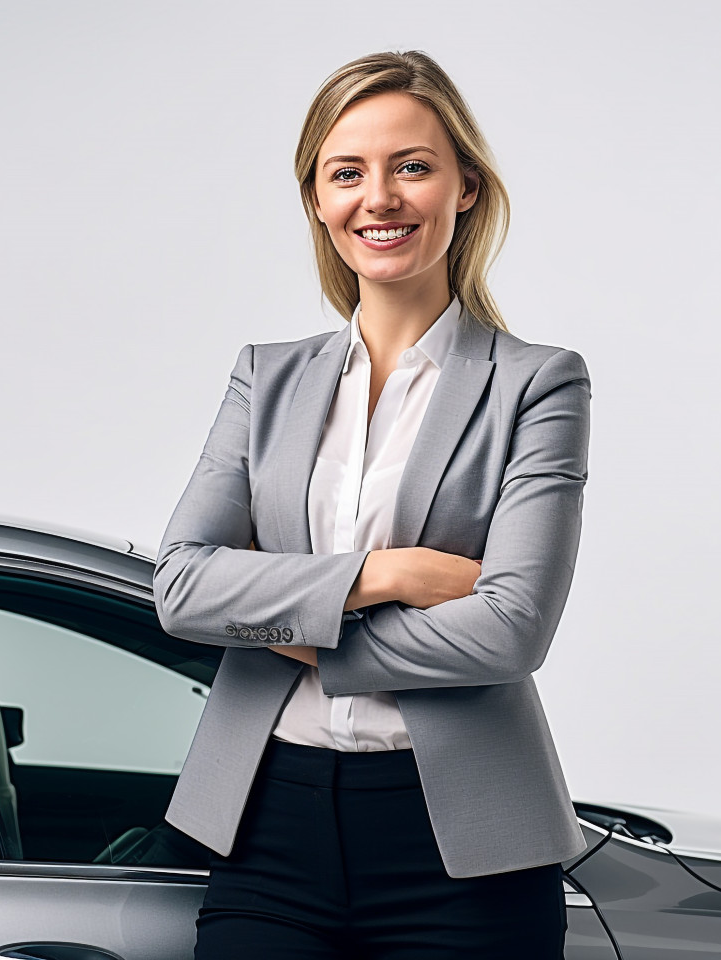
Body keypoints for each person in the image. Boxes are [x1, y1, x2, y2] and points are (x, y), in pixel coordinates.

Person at [153, 48, 591, 959]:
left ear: (464, 187)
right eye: (347, 172)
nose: (379, 198)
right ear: (317, 199)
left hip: (463, 845)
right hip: (267, 825)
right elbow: (184, 589)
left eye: (413, 167)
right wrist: (384, 575)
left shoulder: (537, 384)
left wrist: (288, 626)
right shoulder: (264, 378)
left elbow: (511, 630)